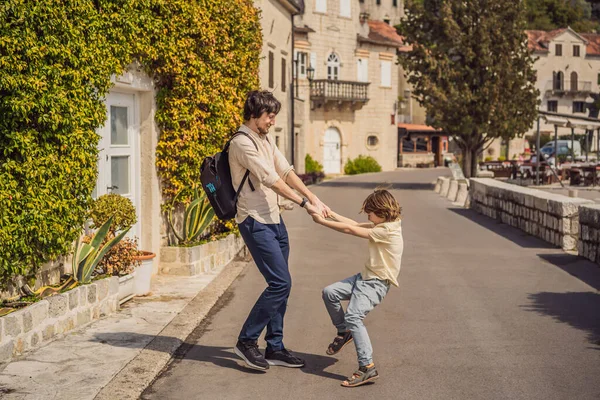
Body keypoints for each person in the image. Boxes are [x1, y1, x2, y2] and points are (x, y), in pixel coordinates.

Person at [229, 90, 330, 371]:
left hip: (273, 219)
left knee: (281, 285)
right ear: (254, 115)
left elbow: (285, 171)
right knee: (280, 283)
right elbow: (269, 178)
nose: (272, 121)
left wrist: (312, 197)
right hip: (254, 220)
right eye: (269, 116)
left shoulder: (264, 139)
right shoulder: (241, 143)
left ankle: (275, 346)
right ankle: (246, 341)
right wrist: (301, 203)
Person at [311, 189, 404, 387]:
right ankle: (344, 332)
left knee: (354, 316)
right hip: (364, 278)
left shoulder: (387, 230)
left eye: (370, 212)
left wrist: (322, 222)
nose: (368, 216)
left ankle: (367, 367)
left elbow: (350, 230)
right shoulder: (386, 224)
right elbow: (354, 224)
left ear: (381, 211)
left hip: (376, 284)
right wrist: (331, 212)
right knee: (330, 293)